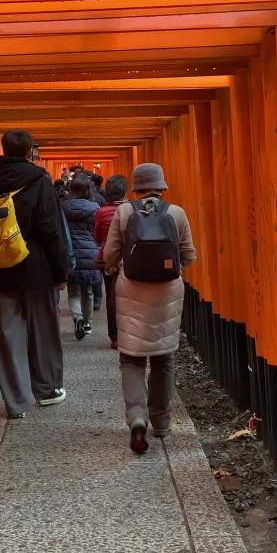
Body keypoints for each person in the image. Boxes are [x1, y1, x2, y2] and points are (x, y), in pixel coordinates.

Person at [0, 129, 69, 419]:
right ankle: (47, 389)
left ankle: (15, 401)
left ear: (4, 148)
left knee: (6, 332)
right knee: (43, 330)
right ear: (30, 152)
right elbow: (51, 230)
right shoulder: (39, 181)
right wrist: (61, 271)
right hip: (36, 267)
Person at [103, 163, 196, 454]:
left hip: (131, 290)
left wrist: (113, 265)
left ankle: (137, 419)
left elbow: (109, 254)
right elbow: (189, 256)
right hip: (168, 292)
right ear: (161, 185)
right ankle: (162, 421)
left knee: (131, 360)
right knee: (163, 358)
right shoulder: (177, 213)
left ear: (136, 186)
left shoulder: (124, 212)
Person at [61, 175, 101, 340]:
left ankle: (77, 317)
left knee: (74, 291)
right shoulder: (95, 208)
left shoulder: (63, 207)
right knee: (88, 291)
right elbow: (97, 232)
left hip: (71, 253)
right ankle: (87, 322)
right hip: (90, 252)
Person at [93, 174, 128, 350]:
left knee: (111, 298)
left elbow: (97, 237)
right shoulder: (132, 210)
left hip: (108, 259)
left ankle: (114, 337)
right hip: (129, 259)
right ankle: (129, 333)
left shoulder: (101, 212)